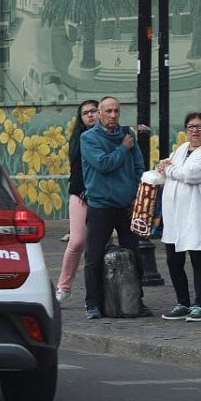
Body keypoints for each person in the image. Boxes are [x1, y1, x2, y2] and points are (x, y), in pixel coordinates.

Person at [80, 96, 151, 319]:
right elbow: (103, 164)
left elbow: (139, 167)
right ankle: (93, 303)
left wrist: (136, 198)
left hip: (126, 206)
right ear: (100, 114)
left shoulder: (128, 136)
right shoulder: (88, 138)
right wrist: (123, 148)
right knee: (94, 257)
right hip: (100, 205)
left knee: (135, 255)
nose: (113, 115)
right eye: (108, 111)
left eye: (116, 111)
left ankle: (135, 301)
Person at [156, 112, 201, 323]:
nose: (195, 130)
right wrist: (166, 168)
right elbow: (166, 169)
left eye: (200, 127)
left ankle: (199, 306)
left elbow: (190, 175)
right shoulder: (181, 149)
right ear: (186, 130)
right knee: (174, 260)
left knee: (198, 260)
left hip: (196, 215)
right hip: (175, 217)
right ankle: (182, 302)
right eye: (191, 127)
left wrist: (170, 168)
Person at [54, 99, 99, 303]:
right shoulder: (79, 138)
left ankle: (102, 290)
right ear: (80, 118)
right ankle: (63, 287)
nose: (90, 115)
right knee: (77, 241)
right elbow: (77, 170)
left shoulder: (108, 136)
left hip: (103, 196)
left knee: (100, 245)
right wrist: (83, 190)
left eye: (94, 111)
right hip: (80, 193)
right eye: (86, 113)